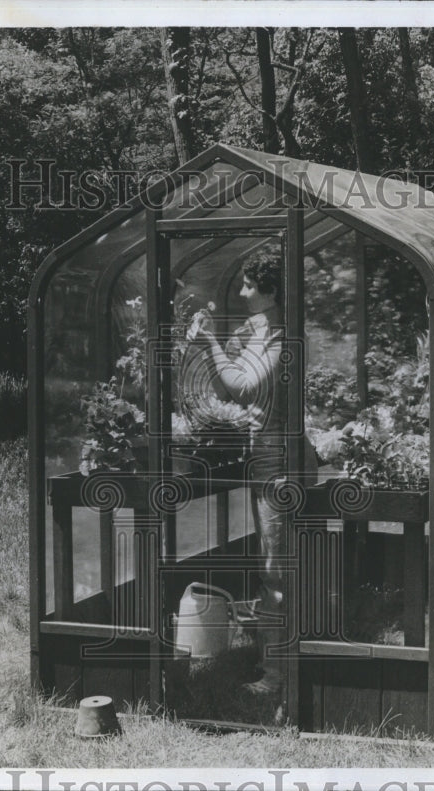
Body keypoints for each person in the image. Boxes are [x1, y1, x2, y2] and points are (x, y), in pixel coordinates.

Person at [187, 251, 293, 697]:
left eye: (249, 285)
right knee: (274, 566)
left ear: (268, 290)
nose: (242, 291)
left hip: (277, 462)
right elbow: (234, 383)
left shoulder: (279, 332)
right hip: (265, 457)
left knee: (277, 569)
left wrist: (210, 343)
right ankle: (280, 664)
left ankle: (279, 677)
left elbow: (246, 385)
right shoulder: (261, 330)